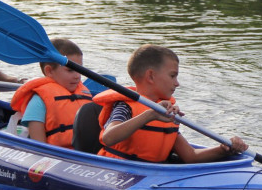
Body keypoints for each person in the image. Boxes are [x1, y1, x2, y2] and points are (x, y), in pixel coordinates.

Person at [94, 44, 248, 163]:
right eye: (172, 76)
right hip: (118, 172)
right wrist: (150, 115)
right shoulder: (125, 106)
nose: (177, 83)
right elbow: (109, 138)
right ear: (151, 76)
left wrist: (224, 149)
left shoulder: (166, 112)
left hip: (153, 176)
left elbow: (191, 157)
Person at [9, 38, 93, 147]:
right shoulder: (38, 101)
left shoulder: (84, 93)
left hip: (85, 155)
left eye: (80, 70)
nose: (77, 76)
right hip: (56, 156)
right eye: (70, 70)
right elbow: (39, 144)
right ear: (49, 71)